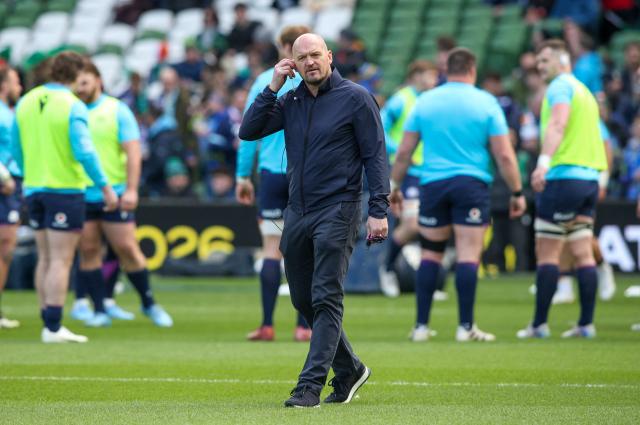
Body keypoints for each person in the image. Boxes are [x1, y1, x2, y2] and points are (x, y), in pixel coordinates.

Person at [239, 33, 388, 408]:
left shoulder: (356, 98)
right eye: (301, 57)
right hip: (297, 211)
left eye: (316, 55)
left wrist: (379, 210)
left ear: (330, 56)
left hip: (339, 208)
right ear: (293, 64)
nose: (310, 62)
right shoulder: (290, 100)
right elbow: (249, 130)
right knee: (304, 299)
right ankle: (351, 368)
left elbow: (375, 156)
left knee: (325, 296)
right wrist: (272, 85)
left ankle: (309, 387)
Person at [390, 48, 526, 343]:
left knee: (430, 253)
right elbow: (504, 154)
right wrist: (517, 190)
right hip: (471, 184)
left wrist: (395, 186)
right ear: (472, 69)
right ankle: (466, 327)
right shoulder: (486, 102)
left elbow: (404, 152)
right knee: (468, 254)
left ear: (446, 70)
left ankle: (421, 327)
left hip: (433, 184)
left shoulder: (425, 101)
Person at [11, 51, 118, 343]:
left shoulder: (27, 100)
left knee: (45, 257)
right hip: (64, 189)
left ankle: (47, 318)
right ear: (75, 73)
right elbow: (85, 151)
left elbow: (15, 147)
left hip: (33, 188)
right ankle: (54, 327)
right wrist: (105, 187)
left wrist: (27, 172)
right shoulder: (72, 105)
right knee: (61, 259)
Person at [70, 59, 173, 328]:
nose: (79, 88)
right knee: (89, 249)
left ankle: (149, 303)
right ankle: (100, 308)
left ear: (98, 80)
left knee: (128, 249)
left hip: (114, 192)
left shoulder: (116, 110)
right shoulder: (71, 109)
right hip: (82, 192)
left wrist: (131, 189)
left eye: (84, 82)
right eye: (76, 83)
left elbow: (133, 153)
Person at [517, 39, 607, 339]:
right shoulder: (585, 92)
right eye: (538, 62)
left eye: (545, 60)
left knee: (548, 253)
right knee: (582, 251)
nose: (540, 66)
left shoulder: (559, 87)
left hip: (563, 176)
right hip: (588, 179)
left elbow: (557, 124)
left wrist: (543, 163)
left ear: (562, 60)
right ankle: (586, 324)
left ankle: (539, 324)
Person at [235, 25, 312, 342]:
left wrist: (242, 175)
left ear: (281, 45)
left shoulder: (265, 81)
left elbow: (248, 133)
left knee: (270, 249)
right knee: (306, 251)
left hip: (270, 175)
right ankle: (304, 327)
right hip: (302, 174)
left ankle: (267, 325)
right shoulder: (312, 78)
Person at [379, 60, 438, 298]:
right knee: (413, 224)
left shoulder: (432, 99)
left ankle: (428, 280)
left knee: (433, 226)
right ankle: (388, 268)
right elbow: (379, 127)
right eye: (429, 75)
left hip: (431, 170)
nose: (433, 80)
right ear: (416, 75)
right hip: (407, 170)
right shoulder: (401, 99)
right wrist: (402, 148)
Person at [0, 66, 22, 329]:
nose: (20, 88)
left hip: (12, 183)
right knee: (5, 246)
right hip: (5, 183)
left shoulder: (10, 113)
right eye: (16, 83)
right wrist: (3, 177)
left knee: (6, 249)